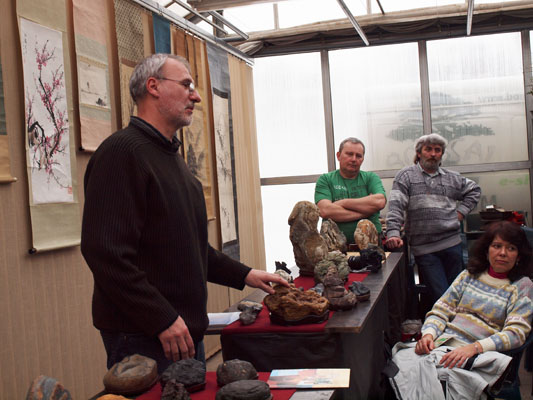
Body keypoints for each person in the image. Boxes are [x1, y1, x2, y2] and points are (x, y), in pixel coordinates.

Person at [81, 54, 288, 373]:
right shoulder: (122, 153)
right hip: (144, 335)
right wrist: (161, 318)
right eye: (187, 85)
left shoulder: (173, 160)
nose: (197, 96)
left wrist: (246, 274)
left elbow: (189, 248)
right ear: (153, 86)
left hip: (182, 331)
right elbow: (106, 253)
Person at [390, 220, 533, 399]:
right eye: (497, 246)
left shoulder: (522, 286)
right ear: (487, 250)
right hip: (443, 346)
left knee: (429, 383)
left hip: (478, 355)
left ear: (519, 256)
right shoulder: (469, 275)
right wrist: (428, 335)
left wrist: (474, 348)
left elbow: (516, 333)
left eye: (511, 248)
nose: (502, 253)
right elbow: (441, 310)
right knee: (399, 365)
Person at [385, 133, 481, 306]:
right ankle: (443, 322)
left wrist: (460, 213)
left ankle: (457, 323)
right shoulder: (406, 176)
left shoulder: (452, 177)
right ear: (419, 153)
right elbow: (396, 206)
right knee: (441, 295)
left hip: (452, 244)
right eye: (428, 149)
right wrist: (393, 232)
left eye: (437, 150)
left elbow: (474, 190)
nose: (433, 154)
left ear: (442, 154)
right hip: (425, 248)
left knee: (458, 292)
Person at [314, 137, 386, 244]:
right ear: (338, 156)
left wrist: (343, 203)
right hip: (334, 246)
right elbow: (325, 210)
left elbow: (379, 201)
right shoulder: (326, 179)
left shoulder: (371, 178)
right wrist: (367, 212)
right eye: (349, 154)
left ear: (363, 159)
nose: (354, 159)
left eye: (358, 156)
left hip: (371, 245)